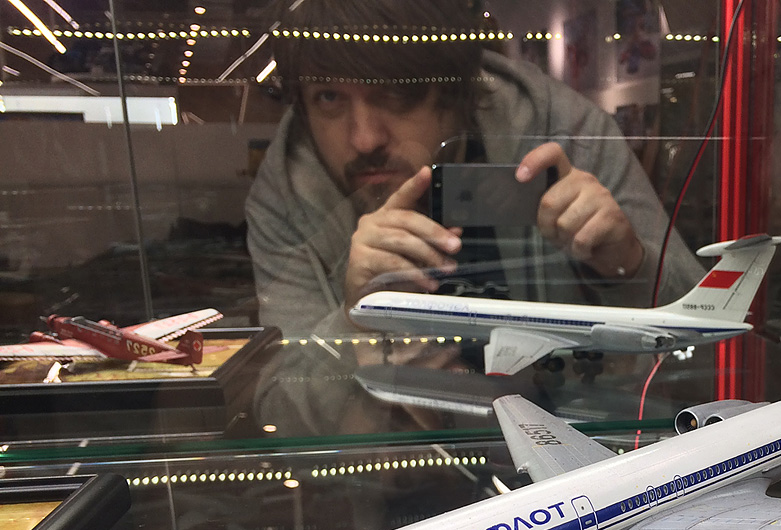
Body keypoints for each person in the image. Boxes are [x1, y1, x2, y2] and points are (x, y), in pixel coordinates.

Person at [246, 0, 702, 435]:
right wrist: (354, 326)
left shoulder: (561, 130)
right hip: (403, 476)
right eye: (328, 97)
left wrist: (629, 265)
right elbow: (279, 417)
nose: (365, 138)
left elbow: (712, 349)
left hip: (581, 455)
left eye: (396, 94)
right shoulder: (287, 190)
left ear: (457, 94)